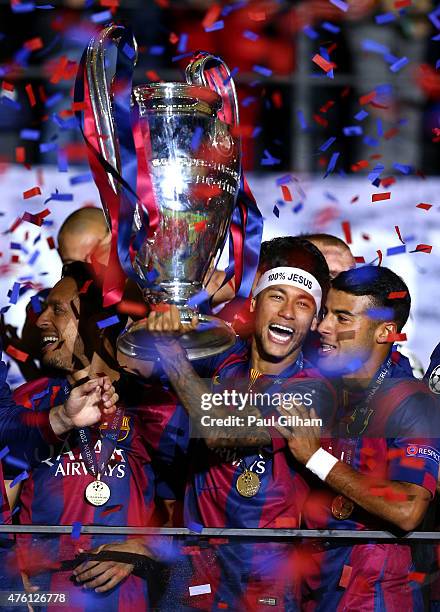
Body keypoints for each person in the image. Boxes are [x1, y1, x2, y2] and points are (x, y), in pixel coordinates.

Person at [146, 237, 336, 610]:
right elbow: (132, 361)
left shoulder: (315, 390)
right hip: (192, 565)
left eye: (302, 304)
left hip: (264, 576)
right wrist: (173, 308)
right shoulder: (222, 358)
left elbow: (218, 433)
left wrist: (172, 356)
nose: (286, 313)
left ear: (314, 322)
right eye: (276, 296)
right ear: (253, 303)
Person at [10, 261, 184, 611]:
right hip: (41, 601)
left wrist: (142, 548)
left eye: (57, 310)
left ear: (96, 323)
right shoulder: (28, 401)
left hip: (126, 601)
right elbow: (5, 499)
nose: (41, 320)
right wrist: (11, 586)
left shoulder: (153, 407)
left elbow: (190, 510)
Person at [279, 265, 439, 610]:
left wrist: (316, 460)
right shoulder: (327, 390)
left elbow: (408, 508)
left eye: (342, 318)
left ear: (385, 332)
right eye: (325, 314)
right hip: (315, 587)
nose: (322, 327)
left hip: (374, 594)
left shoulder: (411, 403)